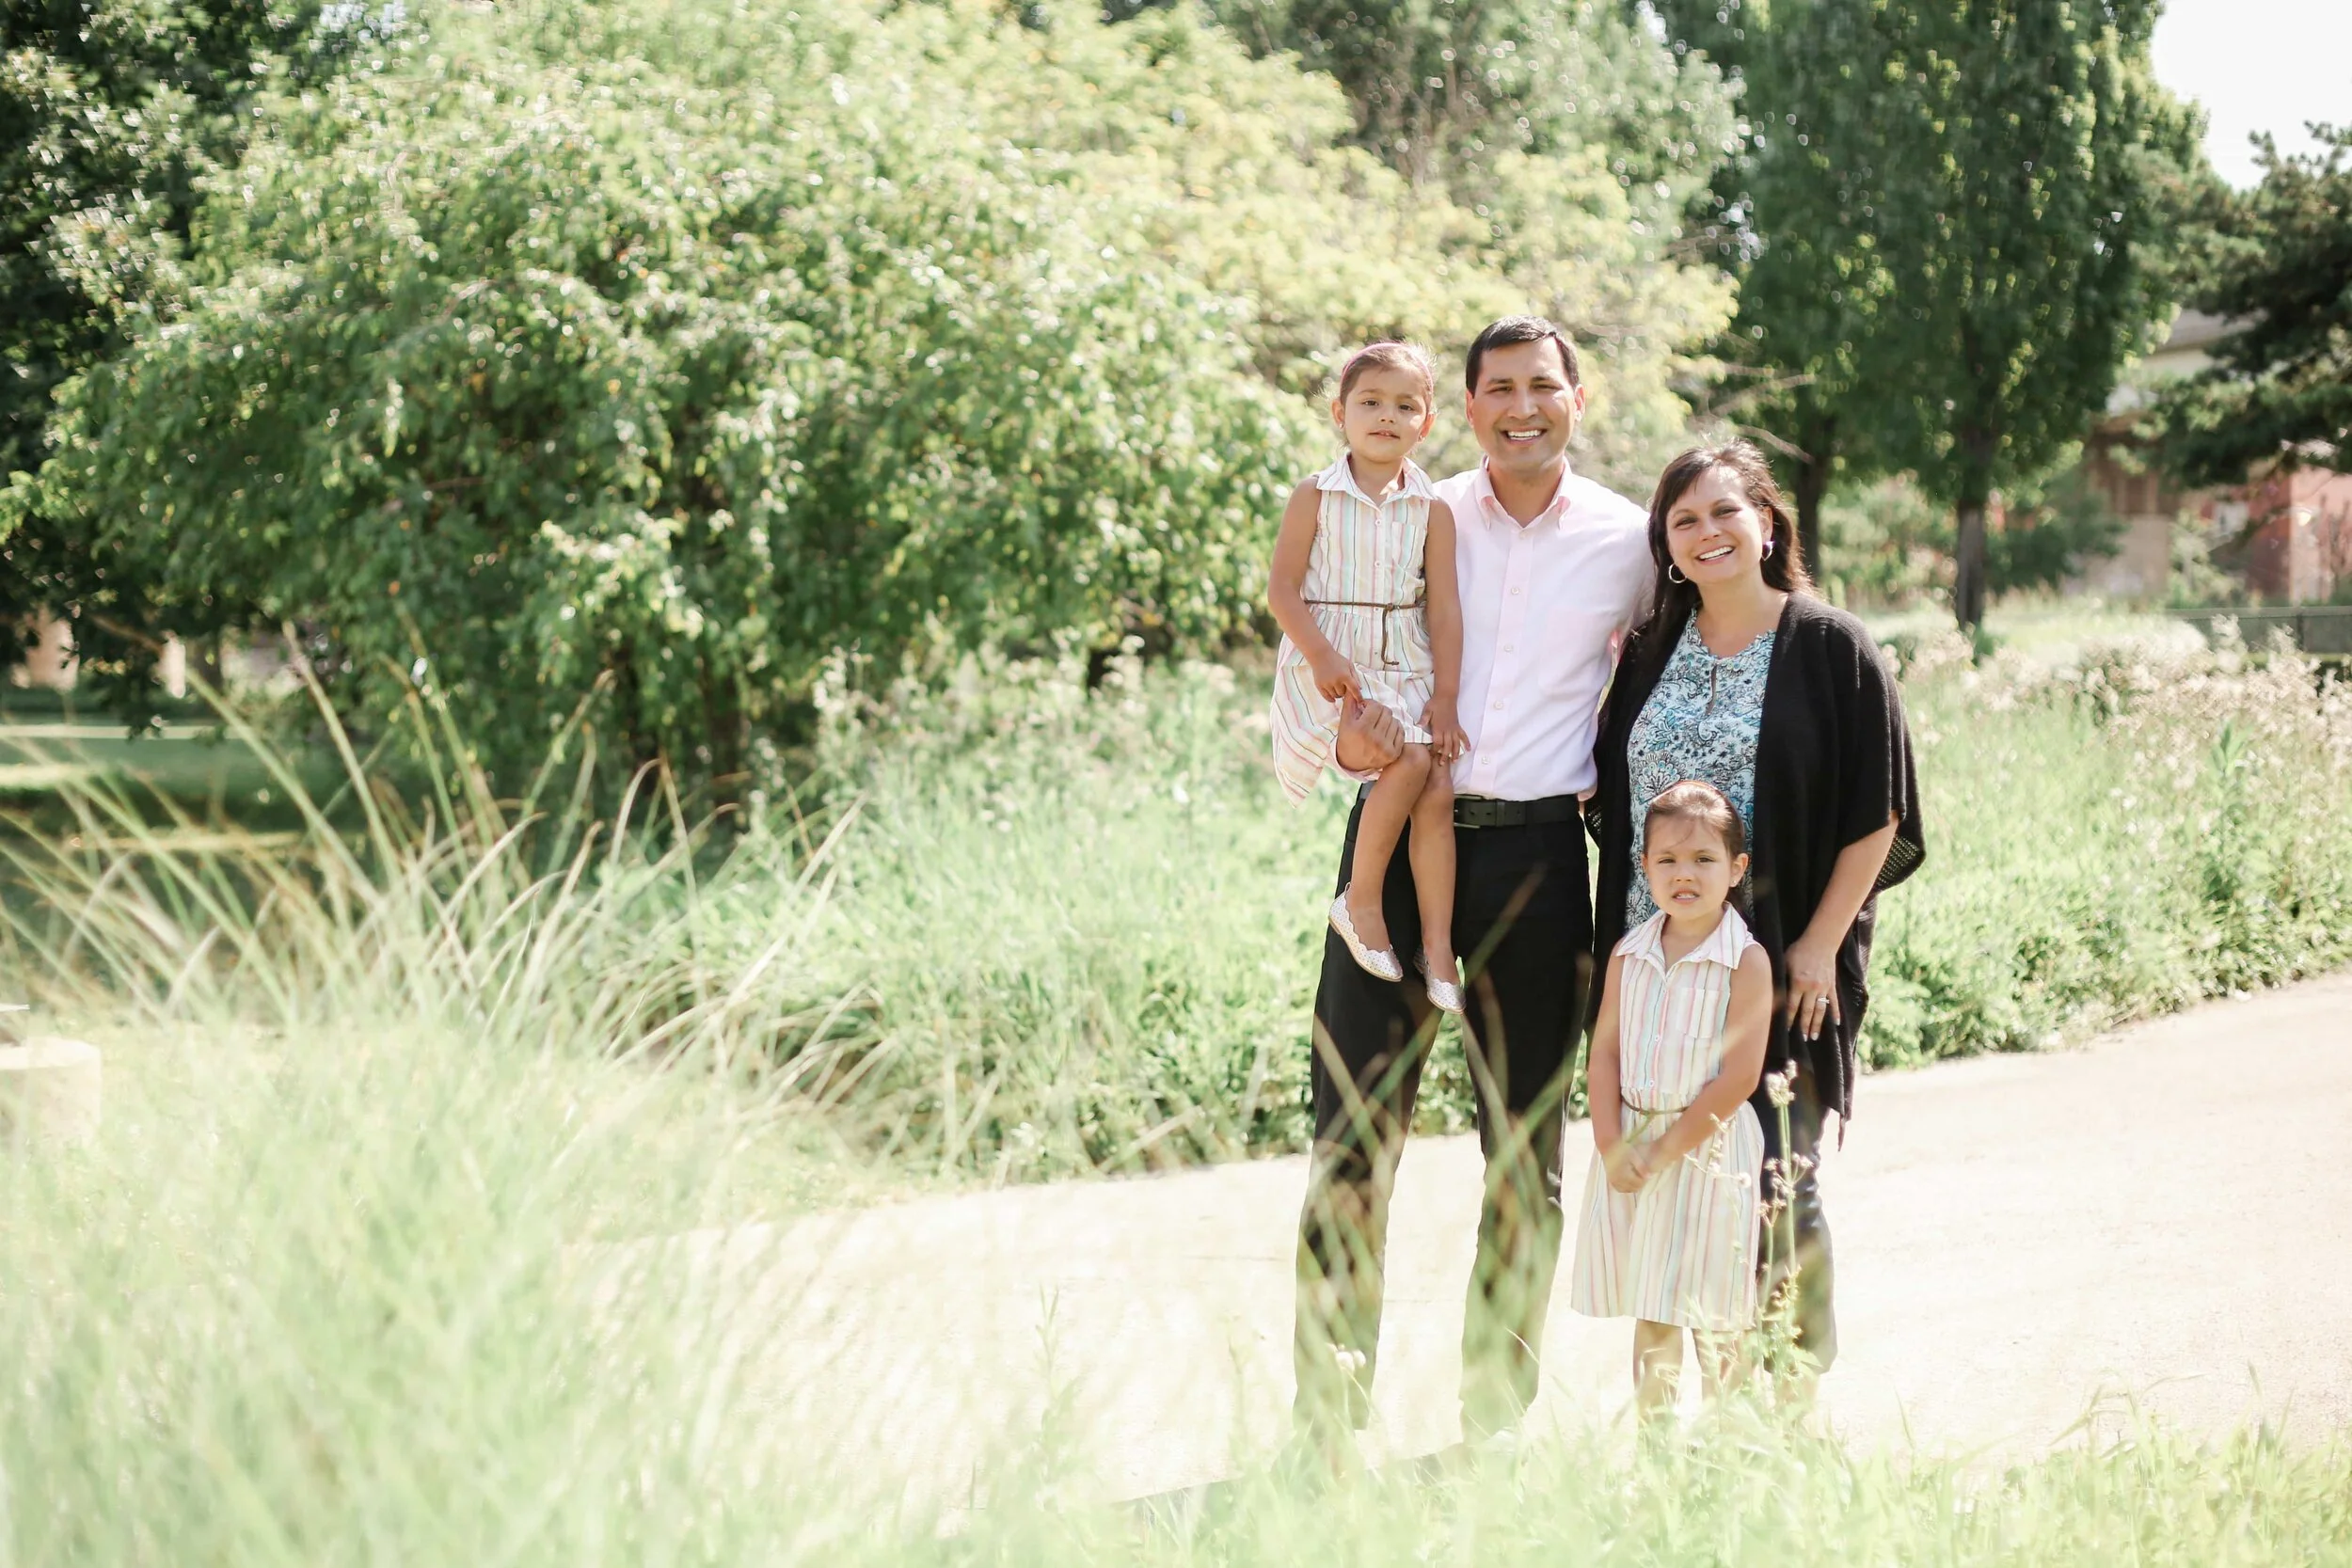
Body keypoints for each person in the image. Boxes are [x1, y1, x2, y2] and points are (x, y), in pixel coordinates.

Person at [1291, 316, 1655, 1455]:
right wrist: (1347, 741)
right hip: (1398, 845)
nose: (1521, 407)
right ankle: (1325, 1421)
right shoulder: (1418, 509)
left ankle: (1490, 1424)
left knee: (1524, 1153)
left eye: (1541, 387)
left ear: (1577, 399)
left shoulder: (1631, 541)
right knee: (1349, 1142)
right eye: (1498, 388)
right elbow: (1327, 630)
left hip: (1544, 863)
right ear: (1466, 403)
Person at [1589, 440, 1926, 1384]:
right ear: (1665, 545)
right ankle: (1681, 1429)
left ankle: (1785, 1403)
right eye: (1684, 519)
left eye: (1724, 511)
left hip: (1775, 963)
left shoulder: (1828, 644)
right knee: (1670, 1181)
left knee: (1773, 1178)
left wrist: (1817, 946)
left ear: (1768, 523)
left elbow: (1881, 809)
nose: (1706, 532)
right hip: (1653, 964)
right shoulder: (1651, 648)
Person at [1267, 341, 1470, 1011]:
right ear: (1339, 413)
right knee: (1407, 762)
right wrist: (1324, 656)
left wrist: (1445, 697)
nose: (1387, 416)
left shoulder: (1432, 507)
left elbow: (1442, 606)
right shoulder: (1315, 495)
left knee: (1437, 781)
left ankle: (1438, 946)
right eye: (1371, 402)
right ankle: (1359, 902)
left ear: (1428, 422)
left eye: (1405, 405)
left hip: (1406, 663)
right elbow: (1283, 590)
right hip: (1334, 665)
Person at [1569, 781, 1772, 1422]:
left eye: (1704, 859)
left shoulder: (1745, 961)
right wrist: (1610, 1142)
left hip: (1707, 1154)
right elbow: (1603, 1052)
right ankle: (1656, 1459)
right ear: (1644, 866)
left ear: (1736, 869)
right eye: (1668, 860)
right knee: (1654, 1309)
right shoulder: (1628, 954)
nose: (1685, 874)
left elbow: (1738, 1077)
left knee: (1716, 1315)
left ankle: (1728, 1454)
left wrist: (1664, 1150)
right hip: (1635, 1150)